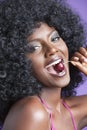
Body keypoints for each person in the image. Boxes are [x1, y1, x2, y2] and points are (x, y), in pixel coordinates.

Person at [0, 0, 87, 129]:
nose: (52, 49)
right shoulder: (32, 111)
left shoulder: (70, 109)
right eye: (34, 48)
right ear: (16, 62)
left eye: (55, 38)